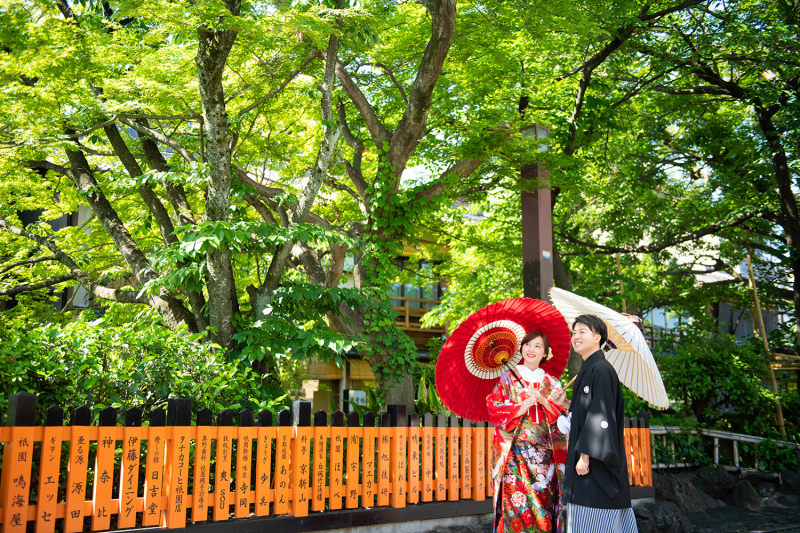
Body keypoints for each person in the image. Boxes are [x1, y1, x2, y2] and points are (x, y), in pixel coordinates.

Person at [549, 314, 638, 533]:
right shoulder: (589, 369)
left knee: (595, 519)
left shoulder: (600, 369)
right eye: (574, 332)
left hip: (594, 463)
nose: (575, 336)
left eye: (582, 331)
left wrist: (585, 456)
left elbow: (600, 417)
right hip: (586, 459)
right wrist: (566, 402)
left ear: (597, 337)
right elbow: (585, 412)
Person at [486, 330, 569, 533]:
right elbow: (494, 406)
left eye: (538, 346)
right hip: (515, 454)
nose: (531, 350)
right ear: (521, 348)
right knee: (515, 503)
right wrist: (519, 408)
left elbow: (563, 418)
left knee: (544, 504)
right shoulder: (508, 377)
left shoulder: (551, 382)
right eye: (528, 344)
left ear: (545, 353)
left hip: (544, 456)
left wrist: (547, 402)